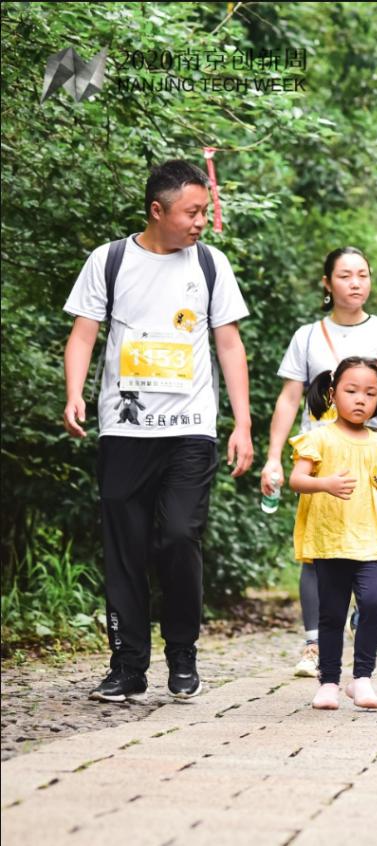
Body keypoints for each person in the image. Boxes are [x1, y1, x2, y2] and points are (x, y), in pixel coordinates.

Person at [62, 159, 254, 702]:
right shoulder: (110, 260)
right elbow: (83, 334)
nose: (201, 221)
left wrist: (242, 422)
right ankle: (127, 667)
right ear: (157, 211)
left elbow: (229, 344)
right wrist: (74, 393)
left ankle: (183, 652)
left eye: (203, 211)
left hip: (191, 429)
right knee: (124, 549)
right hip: (125, 430)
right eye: (191, 212)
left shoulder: (211, 264)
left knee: (177, 537)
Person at [259, 247, 377, 677]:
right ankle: (314, 644)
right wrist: (274, 458)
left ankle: (364, 632)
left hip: (371, 456)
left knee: (373, 545)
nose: (355, 283)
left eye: (362, 274)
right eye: (345, 275)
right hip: (322, 456)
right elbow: (290, 398)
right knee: (316, 550)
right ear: (327, 283)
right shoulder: (308, 336)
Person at [289, 357, 377, 710]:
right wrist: (324, 483)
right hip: (330, 540)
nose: (360, 399)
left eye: (370, 393)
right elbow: (297, 479)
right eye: (351, 391)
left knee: (375, 602)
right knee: (331, 613)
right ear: (332, 394)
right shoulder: (318, 438)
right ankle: (328, 681)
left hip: (372, 542)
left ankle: (362, 678)